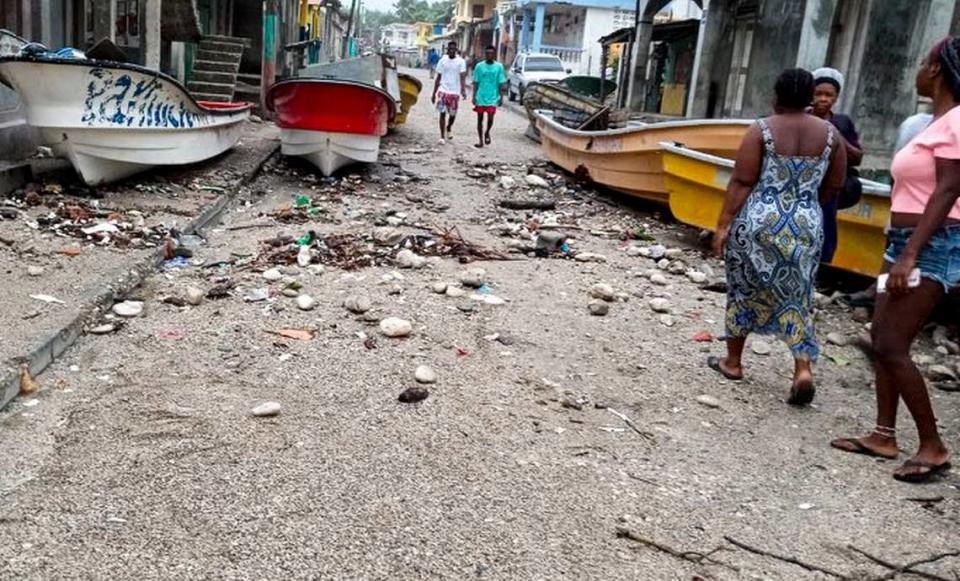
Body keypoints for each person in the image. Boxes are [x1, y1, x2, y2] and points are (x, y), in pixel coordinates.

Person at [831, 37, 960, 483]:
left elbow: (947, 190)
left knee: (891, 344)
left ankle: (933, 445)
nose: (918, 70)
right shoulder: (933, 122)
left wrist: (909, 256)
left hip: (932, 245)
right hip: (904, 242)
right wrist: (898, 249)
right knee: (880, 332)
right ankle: (884, 435)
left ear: (938, 70)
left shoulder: (958, 121)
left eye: (924, 62)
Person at [707, 69, 847, 405]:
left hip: (758, 220)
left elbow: (741, 181)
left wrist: (723, 224)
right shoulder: (831, 135)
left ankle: (734, 362)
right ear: (810, 97)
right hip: (805, 223)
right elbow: (836, 184)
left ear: (777, 96)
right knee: (799, 295)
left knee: (743, 288)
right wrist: (807, 205)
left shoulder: (762, 130)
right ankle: (802, 370)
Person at [810, 67, 863, 264]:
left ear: (836, 98)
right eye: (819, 94)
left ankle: (823, 265)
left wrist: (836, 136)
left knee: (826, 227)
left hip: (829, 189)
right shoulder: (803, 118)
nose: (823, 99)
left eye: (828, 95)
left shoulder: (842, 123)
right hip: (805, 186)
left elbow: (857, 156)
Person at [471, 45, 507, 148]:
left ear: (494, 54)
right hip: (481, 96)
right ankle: (480, 140)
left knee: (490, 119)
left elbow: (501, 83)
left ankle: (487, 132)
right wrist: (474, 96)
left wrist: (501, 97)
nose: (489, 55)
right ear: (485, 54)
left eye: (491, 53)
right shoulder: (479, 66)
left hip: (493, 96)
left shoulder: (499, 67)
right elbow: (476, 82)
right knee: (480, 119)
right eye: (487, 53)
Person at [431, 41, 467, 144]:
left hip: (454, 92)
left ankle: (449, 127)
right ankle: (442, 136)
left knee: (452, 114)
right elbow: (438, 77)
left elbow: (463, 77)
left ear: (456, 50)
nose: (451, 51)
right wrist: (434, 93)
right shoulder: (443, 60)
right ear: (447, 50)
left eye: (453, 49)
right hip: (443, 91)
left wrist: (463, 90)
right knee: (442, 113)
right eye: (449, 49)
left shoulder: (461, 62)